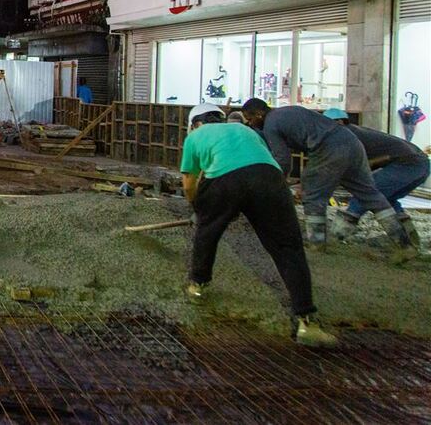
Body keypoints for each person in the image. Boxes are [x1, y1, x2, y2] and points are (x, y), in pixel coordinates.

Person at [180, 103, 337, 347]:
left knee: (207, 234)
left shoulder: (195, 137)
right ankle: (308, 323)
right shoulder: (246, 131)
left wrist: (201, 212)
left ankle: (198, 287)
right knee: (288, 248)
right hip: (270, 179)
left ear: (194, 124)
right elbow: (255, 164)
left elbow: (190, 184)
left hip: (224, 179)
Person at [241, 98, 416, 260]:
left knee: (312, 195)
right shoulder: (287, 111)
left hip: (328, 149)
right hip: (352, 143)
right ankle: (404, 244)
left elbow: (283, 158)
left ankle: (316, 244)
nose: (249, 123)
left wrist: (275, 181)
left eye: (249, 118)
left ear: (259, 114)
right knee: (369, 194)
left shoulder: (271, 124)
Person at [323, 108, 428, 247]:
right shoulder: (358, 132)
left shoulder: (346, 136)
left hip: (408, 164)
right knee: (387, 199)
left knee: (364, 196)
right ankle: (410, 237)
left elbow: (344, 166)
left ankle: (337, 237)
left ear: (340, 122)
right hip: (421, 163)